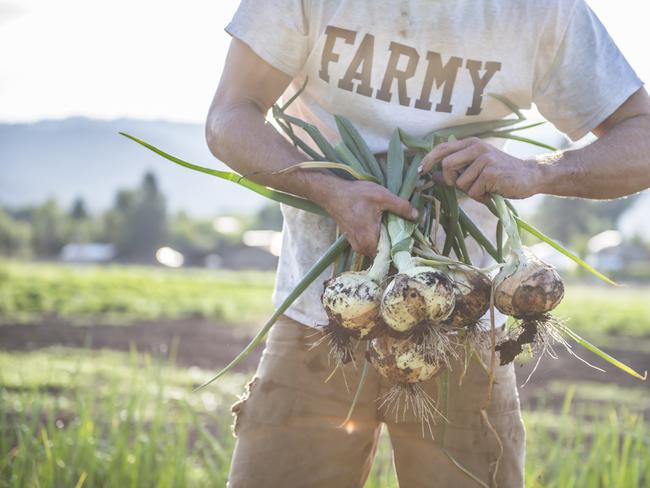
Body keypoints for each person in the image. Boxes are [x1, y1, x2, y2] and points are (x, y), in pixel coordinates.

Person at [205, 1, 650, 486]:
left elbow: (641, 138)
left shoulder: (544, 10)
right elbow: (230, 115)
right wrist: (329, 191)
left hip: (460, 321)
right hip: (322, 319)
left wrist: (537, 171)